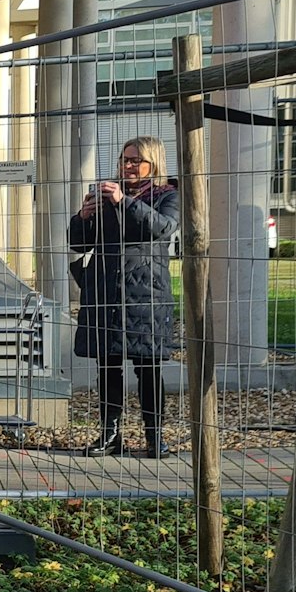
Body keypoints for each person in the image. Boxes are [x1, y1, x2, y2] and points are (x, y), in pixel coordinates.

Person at [69, 135, 179, 459]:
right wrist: (83, 217)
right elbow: (79, 244)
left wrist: (123, 202)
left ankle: (154, 436)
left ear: (152, 164)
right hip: (106, 292)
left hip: (146, 295)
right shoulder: (104, 196)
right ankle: (110, 434)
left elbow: (161, 228)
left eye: (135, 161)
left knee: (148, 369)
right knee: (108, 367)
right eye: (124, 160)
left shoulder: (166, 195)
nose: (127, 166)